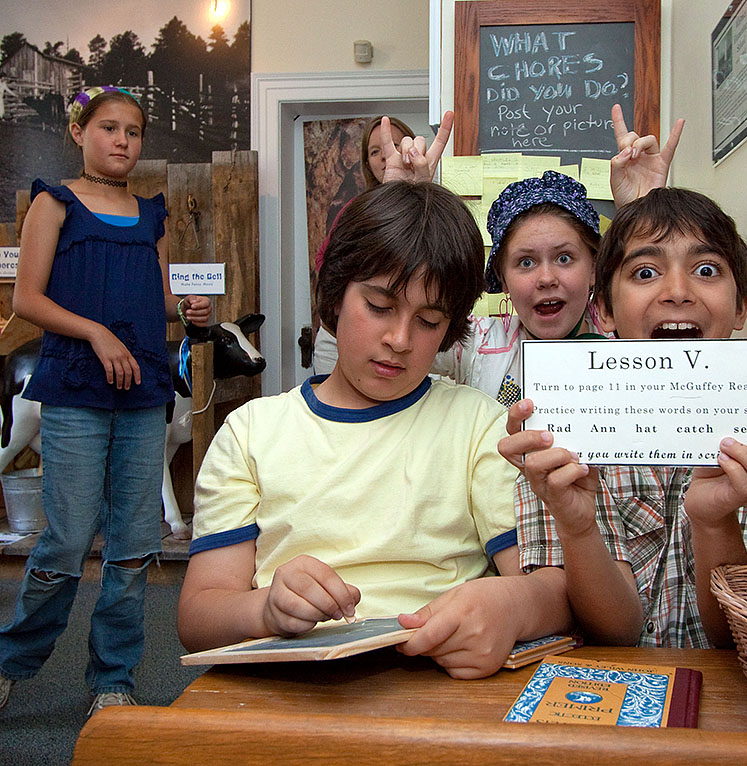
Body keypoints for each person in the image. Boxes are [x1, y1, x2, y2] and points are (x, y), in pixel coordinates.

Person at [177, 181, 571, 679]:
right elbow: (197, 616)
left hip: (436, 685)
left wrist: (512, 603)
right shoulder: (250, 433)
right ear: (334, 296)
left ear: (451, 331)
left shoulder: (478, 427)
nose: (399, 340)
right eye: (380, 307)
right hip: (284, 691)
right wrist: (265, 611)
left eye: (428, 321)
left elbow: (555, 591)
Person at [499, 188, 747, 648]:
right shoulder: (561, 424)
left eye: (706, 270)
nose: (676, 292)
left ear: (742, 305)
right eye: (646, 273)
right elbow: (614, 630)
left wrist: (715, 523)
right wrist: (578, 526)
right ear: (605, 310)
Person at [0, 86, 211, 717]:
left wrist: (188, 309)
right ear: (79, 131)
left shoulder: (152, 215)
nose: (123, 140)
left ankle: (112, 680)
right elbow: (27, 301)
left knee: (132, 544)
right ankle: (12, 663)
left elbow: (159, 300)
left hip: (143, 388)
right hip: (74, 387)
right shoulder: (53, 202)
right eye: (110, 127)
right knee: (66, 539)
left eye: (134, 131)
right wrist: (94, 332)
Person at [316, 105, 686, 402]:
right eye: (525, 262)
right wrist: (401, 206)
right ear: (503, 280)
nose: (546, 278)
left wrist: (642, 208)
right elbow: (348, 335)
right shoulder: (476, 345)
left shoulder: (636, 342)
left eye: (564, 258)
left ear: (594, 268)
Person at [313, 112, 453, 272]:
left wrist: (418, 197)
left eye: (395, 145)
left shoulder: (440, 208)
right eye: (374, 152)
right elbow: (323, 261)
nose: (385, 156)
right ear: (367, 164)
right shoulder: (356, 210)